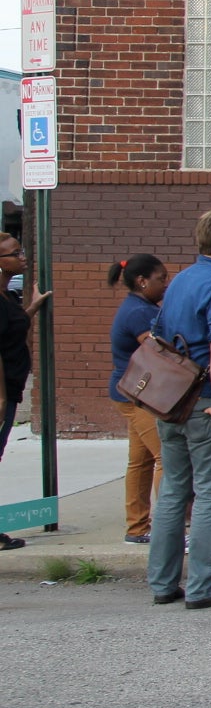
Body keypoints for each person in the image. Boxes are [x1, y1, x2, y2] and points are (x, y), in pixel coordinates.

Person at [145, 209, 211, 607]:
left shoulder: (182, 279)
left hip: (169, 401)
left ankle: (162, 583)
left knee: (174, 491)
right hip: (204, 398)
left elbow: (159, 338)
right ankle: (206, 585)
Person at [108, 255, 168, 546]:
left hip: (132, 393)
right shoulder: (137, 313)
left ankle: (137, 528)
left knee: (141, 461)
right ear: (142, 281)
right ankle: (172, 530)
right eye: (161, 279)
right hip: (137, 395)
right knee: (166, 459)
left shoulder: (142, 307)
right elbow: (159, 352)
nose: (165, 285)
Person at [0, 232, 51, 550]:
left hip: (11, 388)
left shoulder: (7, 296)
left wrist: (31, 308)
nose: (23, 257)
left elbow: (10, 330)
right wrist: (2, 397)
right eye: (15, 253)